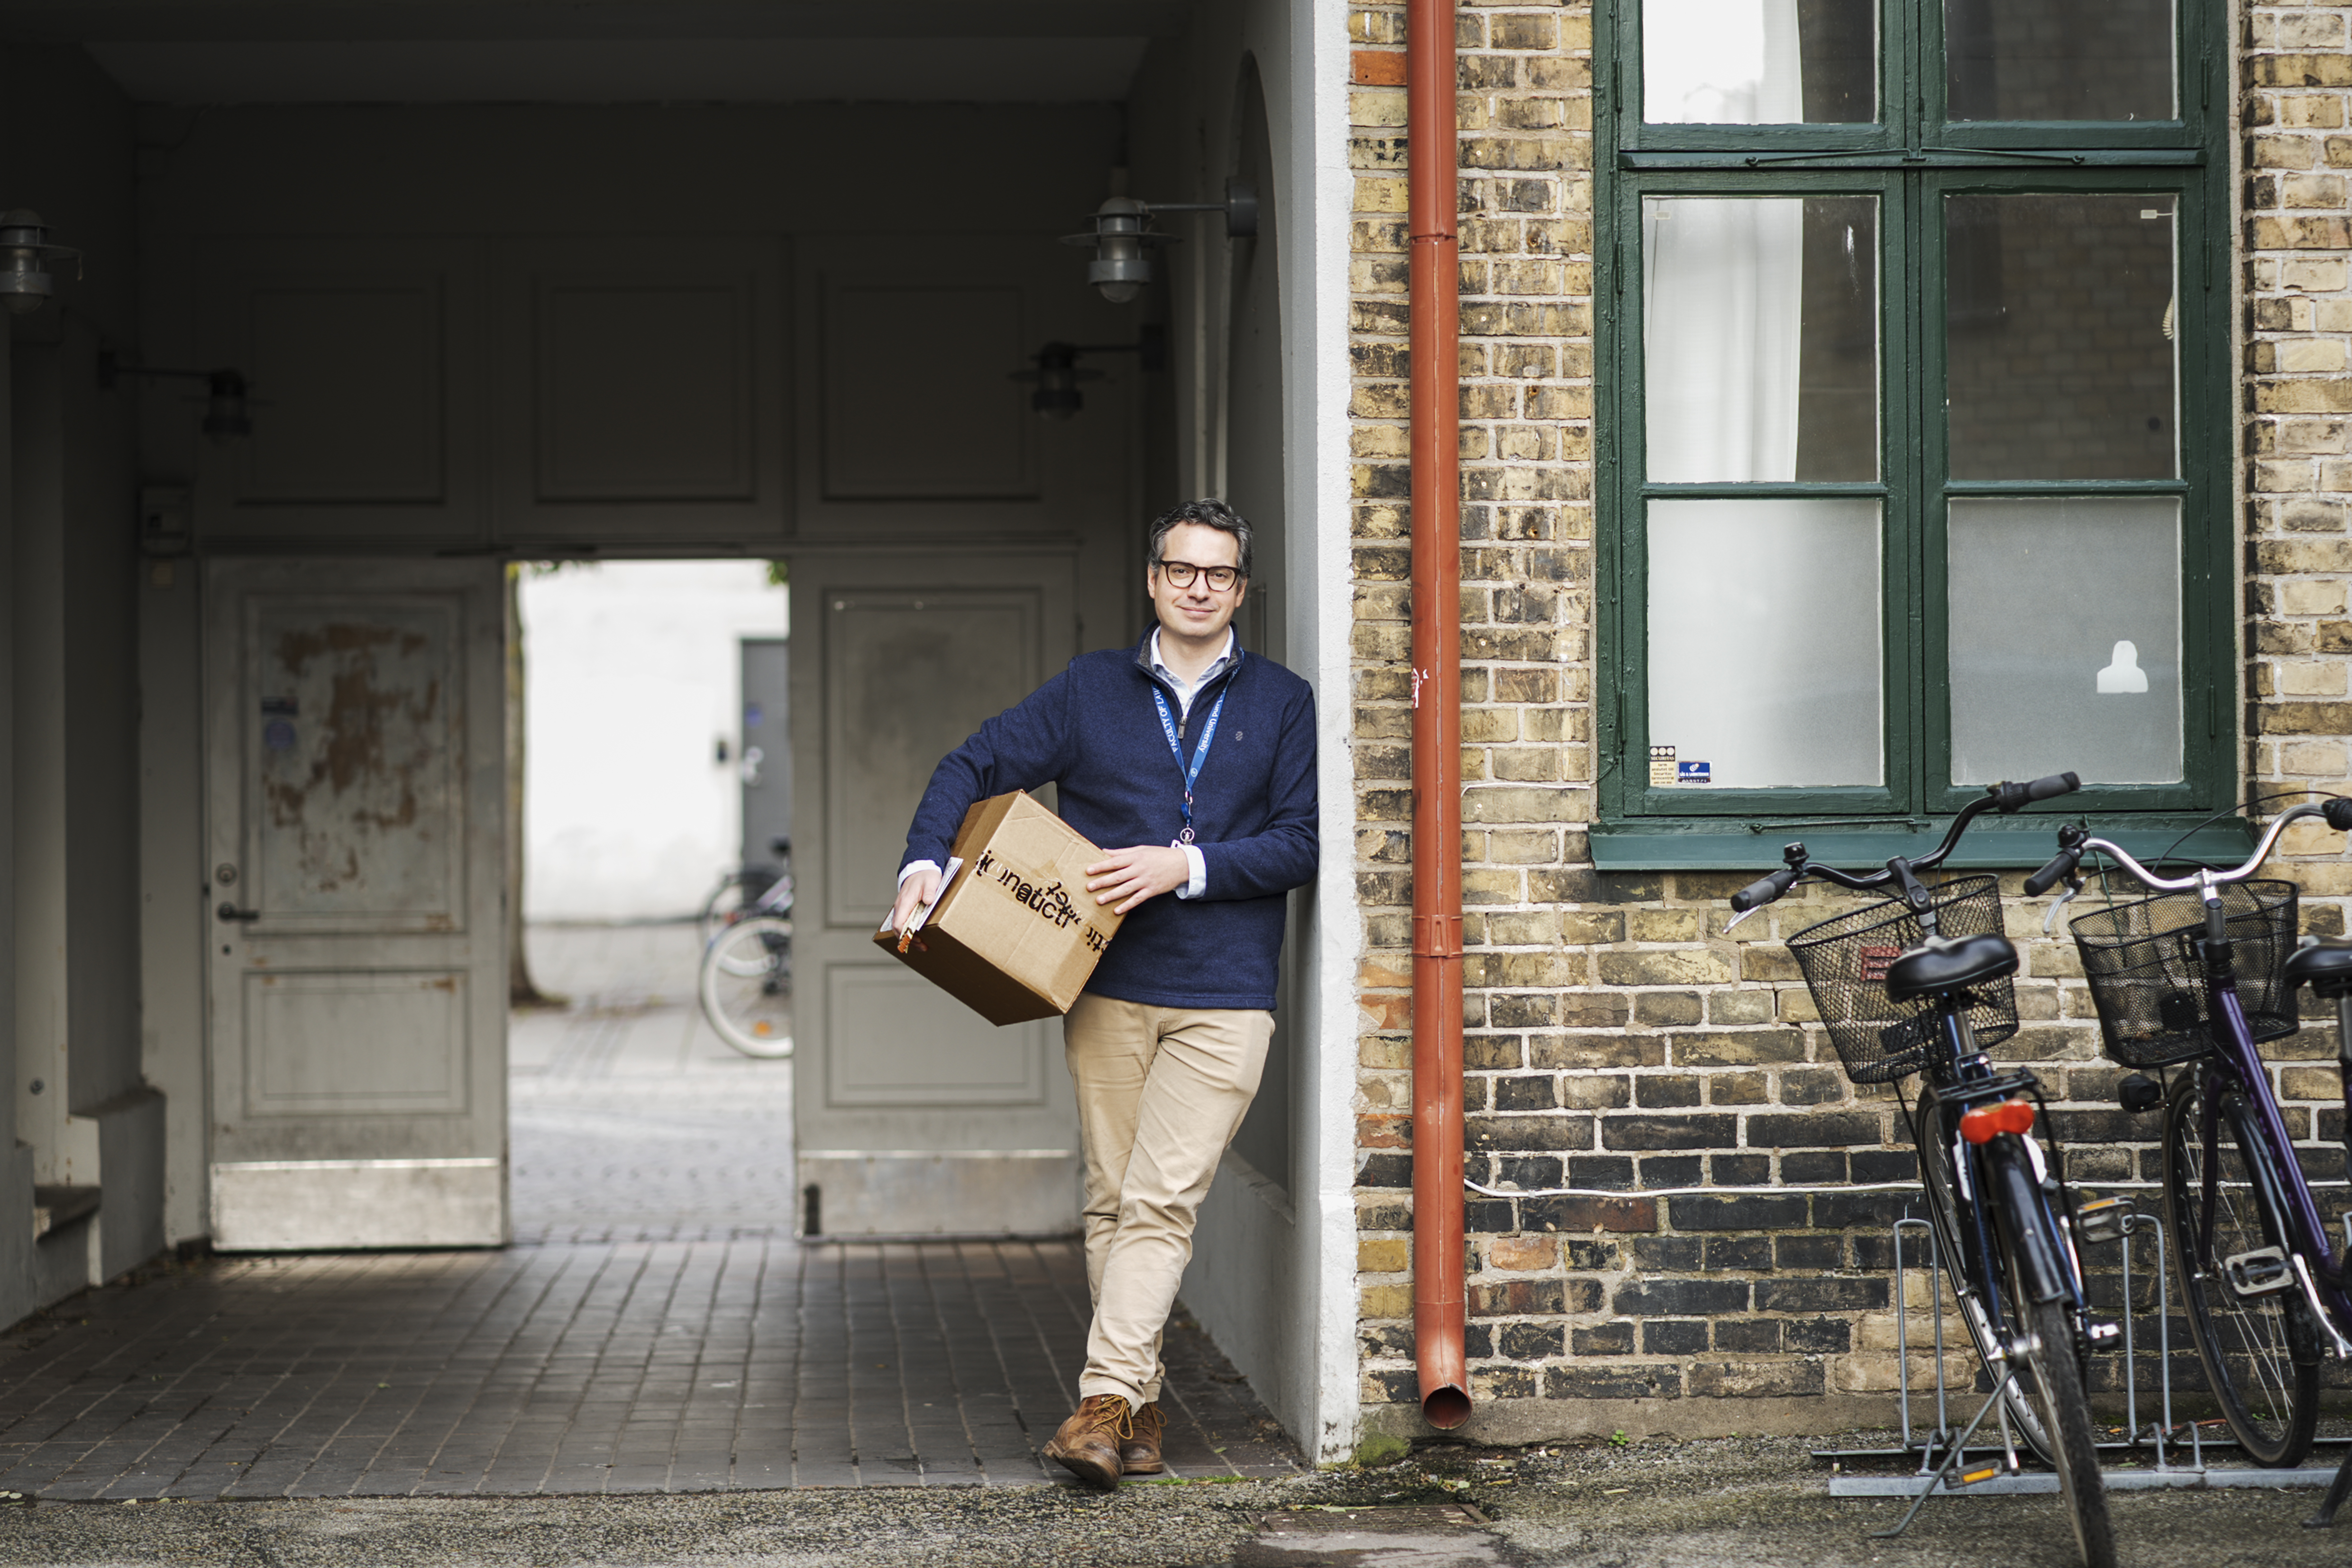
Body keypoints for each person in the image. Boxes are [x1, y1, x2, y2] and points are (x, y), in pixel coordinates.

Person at [887, 498, 1318, 1489]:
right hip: (1106, 984)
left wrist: (1185, 867)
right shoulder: (1088, 692)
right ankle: (1140, 1412)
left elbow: (1301, 839)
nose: (1199, 586)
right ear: (1154, 580)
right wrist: (924, 861)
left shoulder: (1283, 701)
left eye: (1218, 573)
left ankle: (1096, 1404)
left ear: (1240, 590)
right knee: (1113, 1203)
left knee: (1163, 1200)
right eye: (1182, 569)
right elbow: (975, 762)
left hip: (1226, 991)